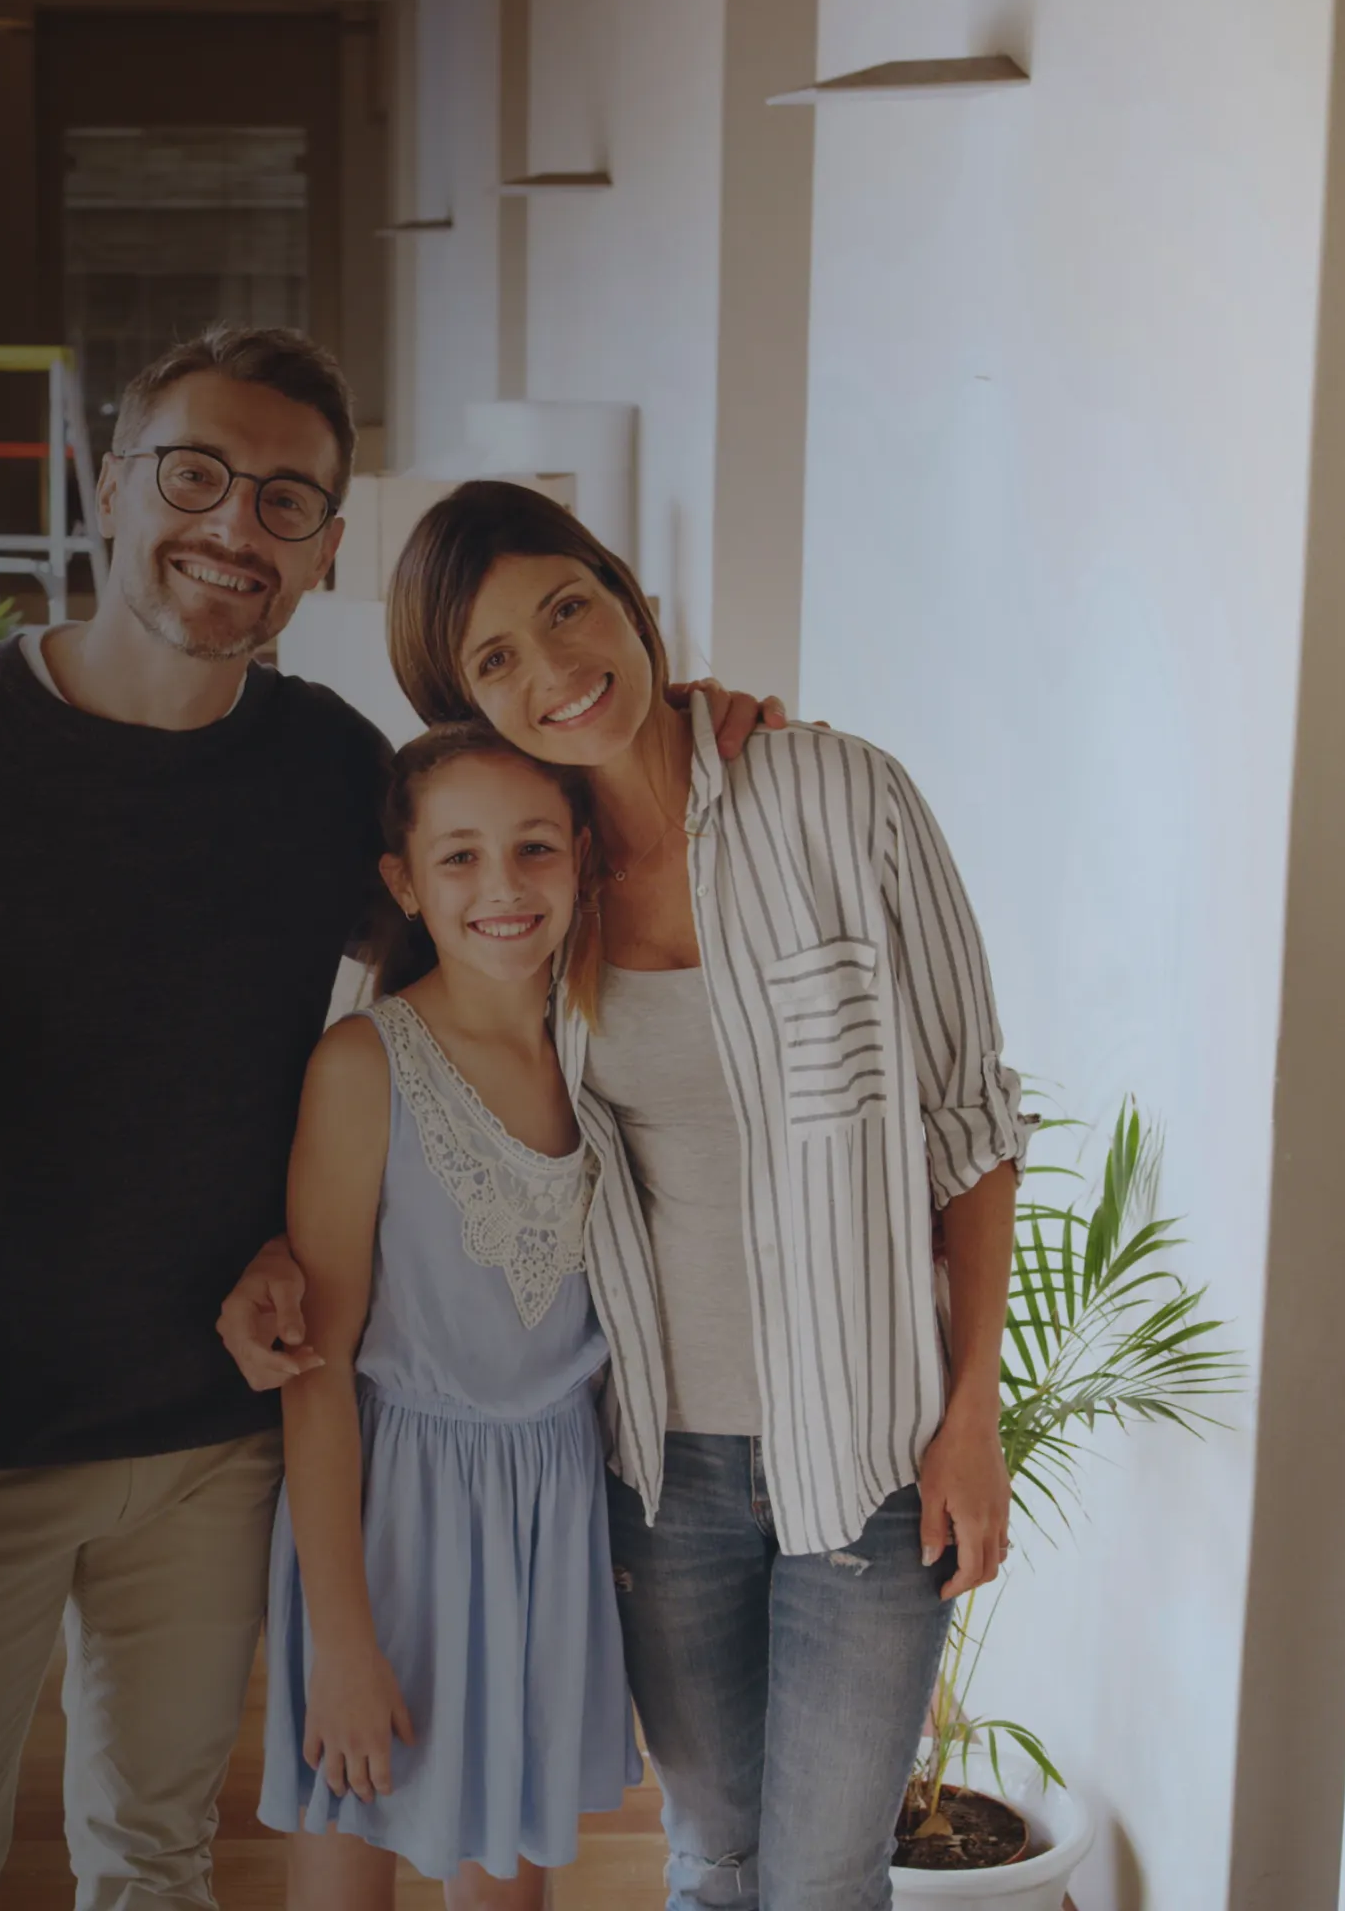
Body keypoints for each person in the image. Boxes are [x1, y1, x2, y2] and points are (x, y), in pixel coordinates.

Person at [0, 322, 784, 1911]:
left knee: (155, 1863)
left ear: (325, 552)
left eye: (286, 502)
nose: (235, 526)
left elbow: (495, 919)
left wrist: (671, 749)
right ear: (107, 484)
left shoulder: (322, 771)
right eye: (197, 475)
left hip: (219, 1436)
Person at [374, 479, 1026, 1910]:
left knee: (819, 1876)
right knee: (710, 1858)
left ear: (628, 597)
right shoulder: (532, 893)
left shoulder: (839, 795)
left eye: (568, 608)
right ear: (469, 707)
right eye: (497, 662)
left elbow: (971, 1131)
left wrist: (969, 1417)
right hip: (657, 1471)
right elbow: (403, 1070)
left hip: (864, 1459)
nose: (557, 669)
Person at [248, 725, 636, 1911]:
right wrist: (343, 1641)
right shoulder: (365, 1066)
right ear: (405, 883)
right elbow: (316, 1371)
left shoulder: (609, 1047)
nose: (503, 888)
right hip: (390, 1516)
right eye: (460, 859)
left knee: (507, 1888)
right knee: (348, 1856)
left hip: (550, 1515)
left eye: (532, 849)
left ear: (580, 858)